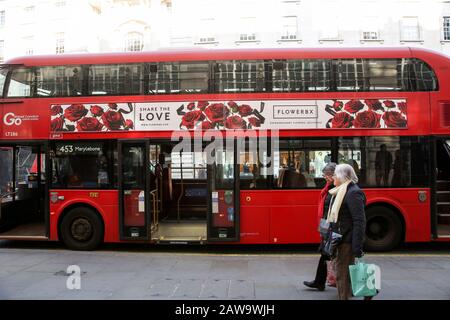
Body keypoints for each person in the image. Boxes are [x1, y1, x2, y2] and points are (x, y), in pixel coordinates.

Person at [328, 163, 366, 300]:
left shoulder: (353, 192)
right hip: (341, 238)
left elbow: (359, 221)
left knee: (342, 274)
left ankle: (343, 297)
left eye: (335, 175)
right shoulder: (342, 190)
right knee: (344, 273)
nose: (333, 177)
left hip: (347, 240)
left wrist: (357, 246)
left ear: (342, 176)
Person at [303, 162, 337, 291]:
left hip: (331, 226)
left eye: (327, 175)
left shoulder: (335, 188)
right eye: (324, 175)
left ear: (334, 175)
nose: (325, 177)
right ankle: (320, 281)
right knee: (326, 253)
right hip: (326, 224)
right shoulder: (329, 187)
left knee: (326, 253)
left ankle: (321, 281)